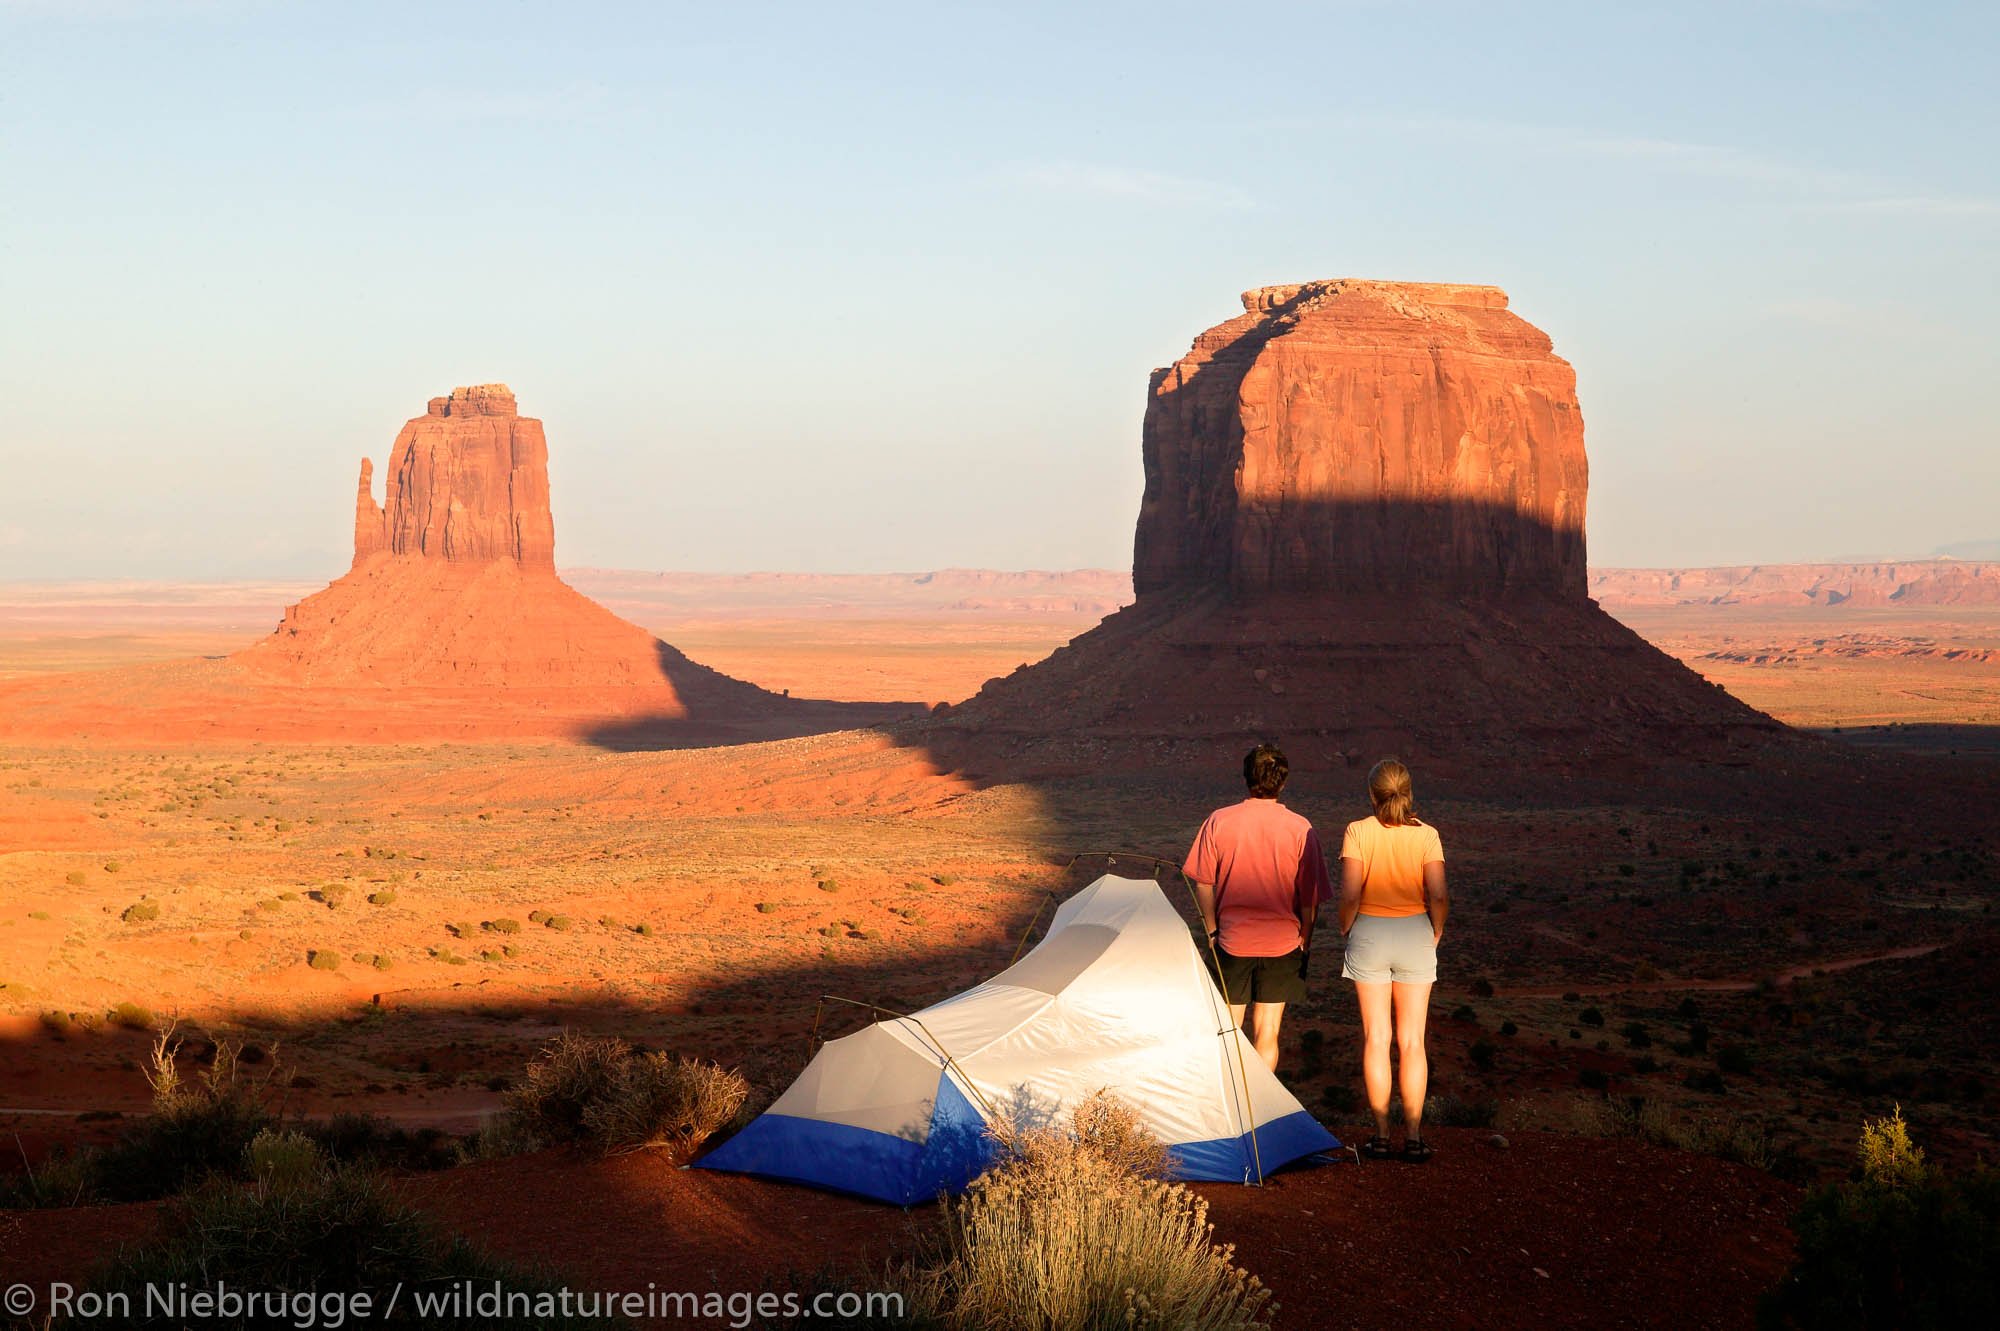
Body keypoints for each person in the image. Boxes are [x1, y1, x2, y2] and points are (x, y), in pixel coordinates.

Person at [1183, 743, 1333, 1074]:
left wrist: (1211, 930)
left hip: (1232, 942)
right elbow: (1310, 897)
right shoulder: (1301, 828)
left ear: (1247, 778)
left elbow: (1203, 883)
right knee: (1268, 1032)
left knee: (1229, 1031)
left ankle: (1234, 1108)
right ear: (1282, 781)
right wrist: (1305, 937)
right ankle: (1263, 1111)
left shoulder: (1218, 821)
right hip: (1283, 944)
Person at [1339, 758, 1450, 1164]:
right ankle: (1416, 1137)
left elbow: (1350, 894)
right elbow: (1438, 895)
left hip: (1369, 931)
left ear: (1373, 794)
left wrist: (1346, 928)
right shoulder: (1428, 836)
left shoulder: (1357, 832)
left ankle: (1382, 1135)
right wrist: (1434, 931)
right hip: (1415, 934)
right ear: (1408, 792)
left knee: (1376, 1038)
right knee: (1412, 1041)